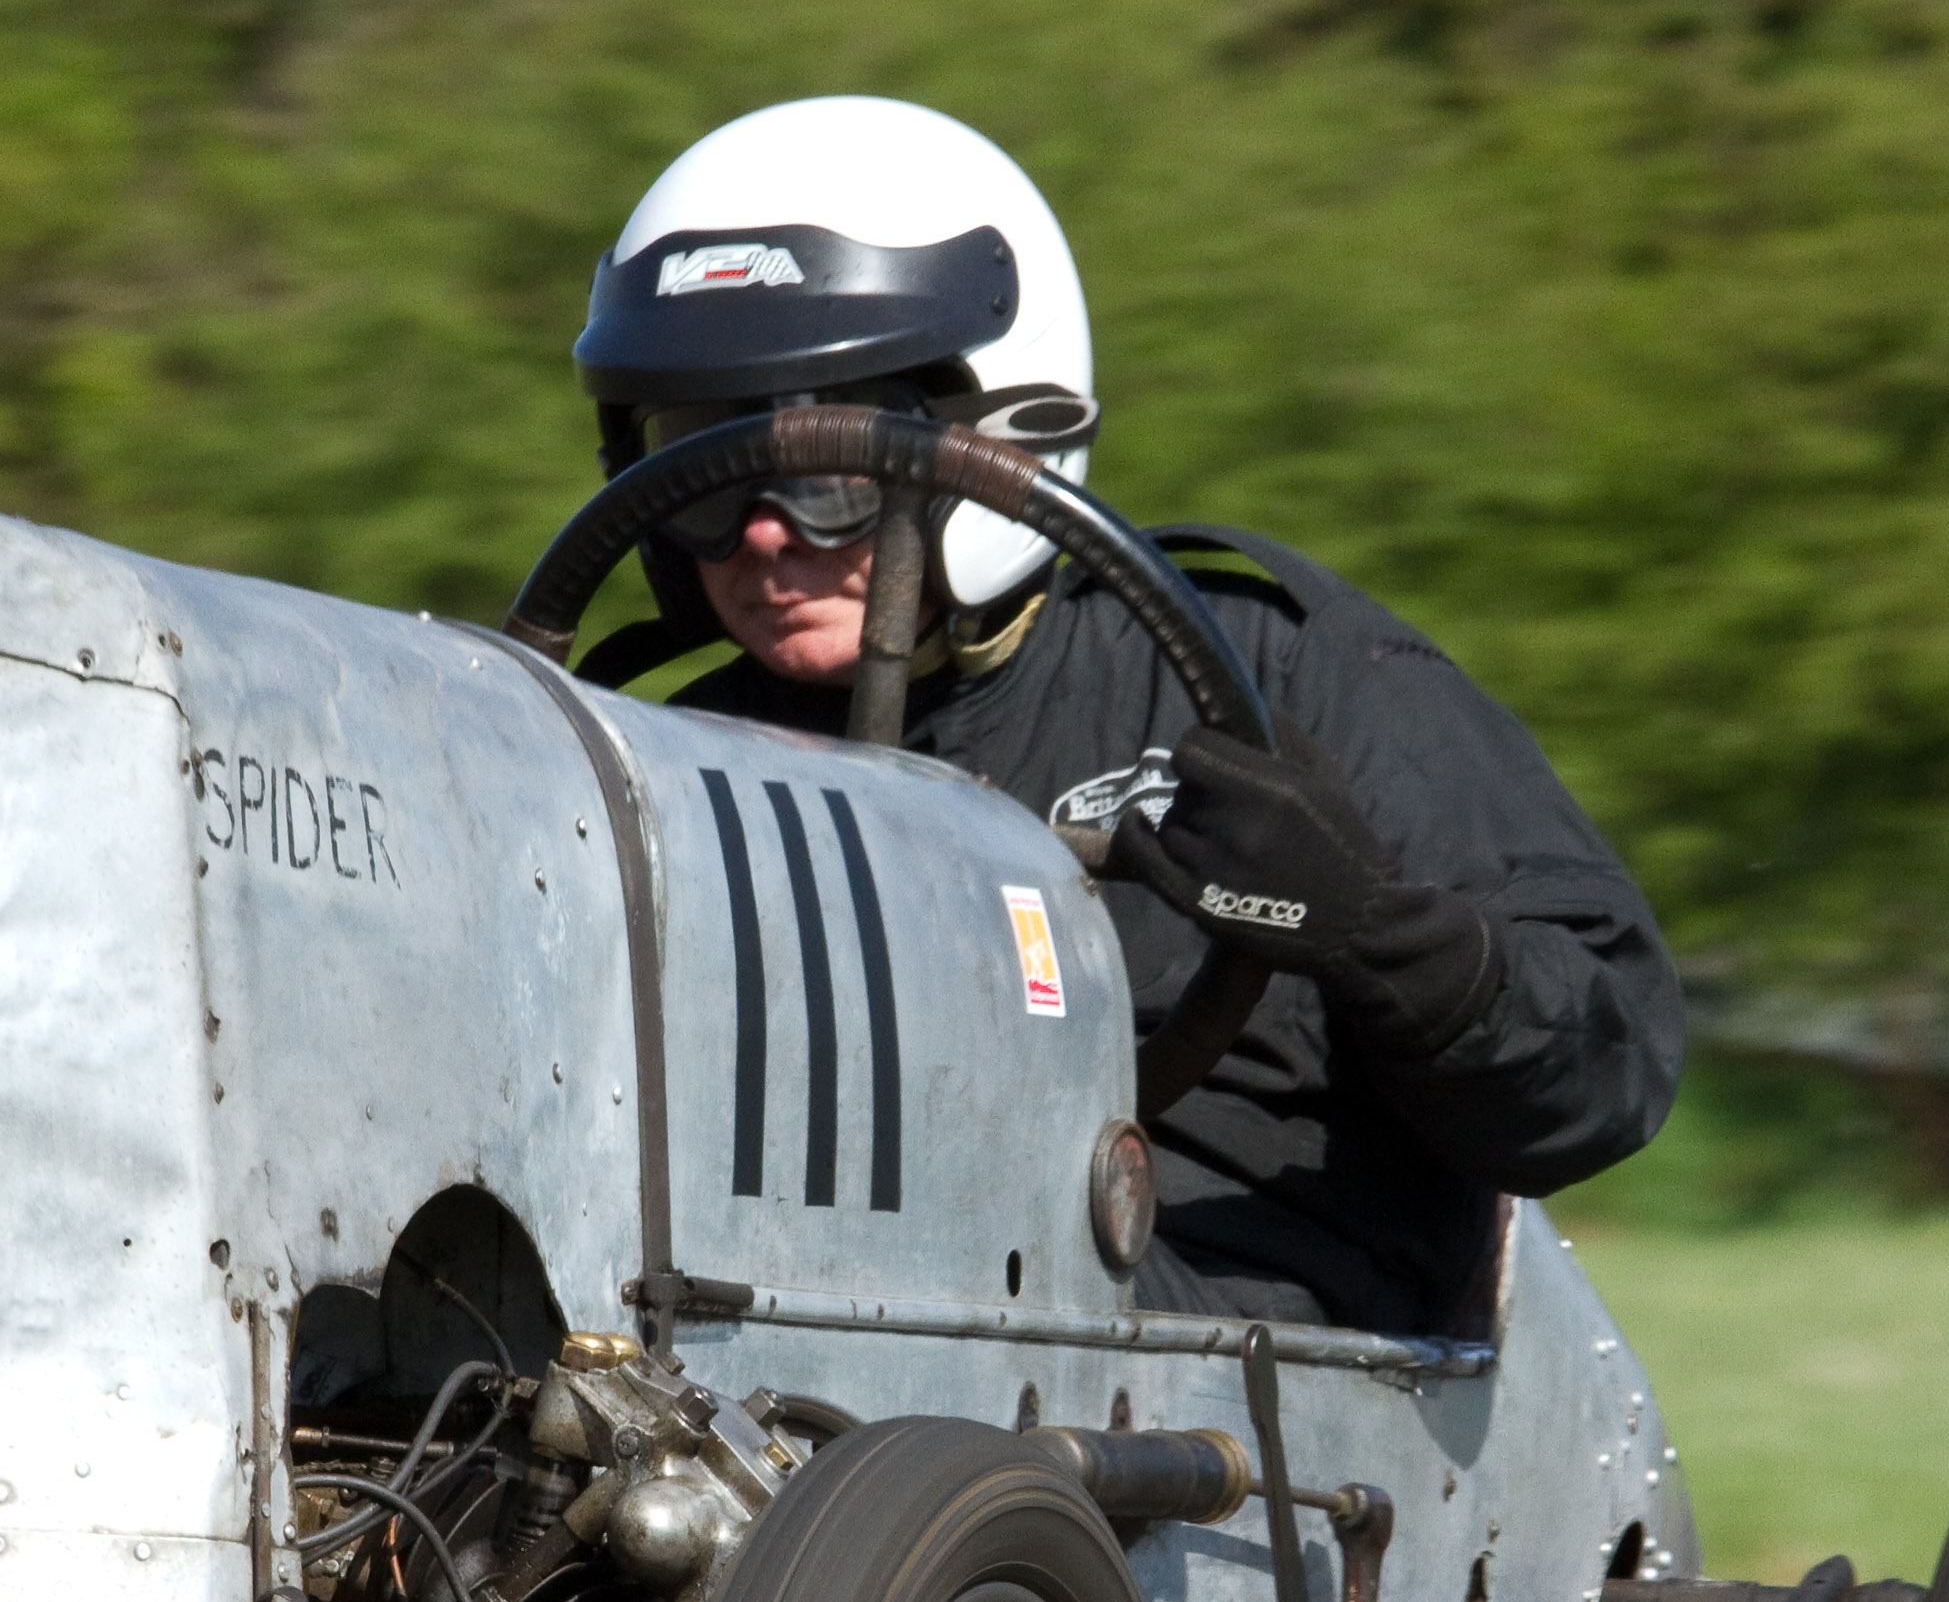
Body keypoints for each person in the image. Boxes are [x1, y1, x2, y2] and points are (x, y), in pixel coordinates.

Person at [570, 97, 1682, 1336]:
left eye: (822, 475)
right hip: (783, 1333)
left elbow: (1607, 1074)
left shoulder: (1273, 672)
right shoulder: (665, 755)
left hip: (1242, 1397)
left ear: (995, 425)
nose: (763, 532)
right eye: (701, 469)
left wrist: (1377, 935)